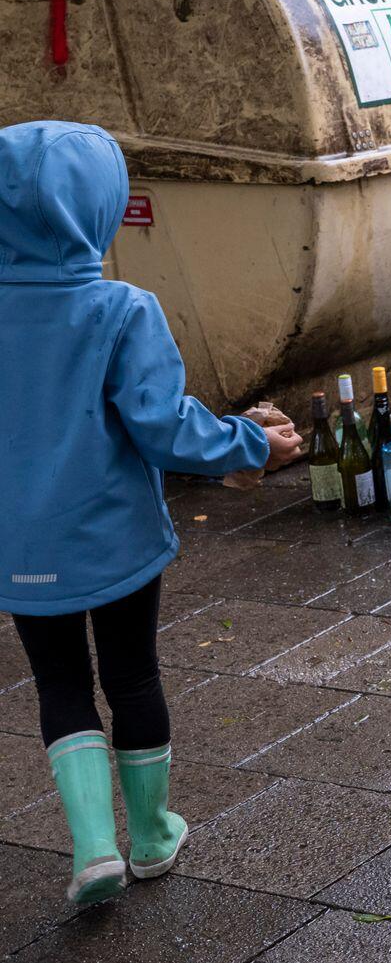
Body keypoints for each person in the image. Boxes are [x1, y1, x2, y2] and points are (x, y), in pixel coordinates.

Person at [0, 122, 301, 904]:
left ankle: (93, 849)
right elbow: (163, 427)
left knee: (59, 684)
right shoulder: (122, 308)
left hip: (21, 542)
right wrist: (249, 443)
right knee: (131, 674)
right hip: (115, 534)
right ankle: (153, 834)